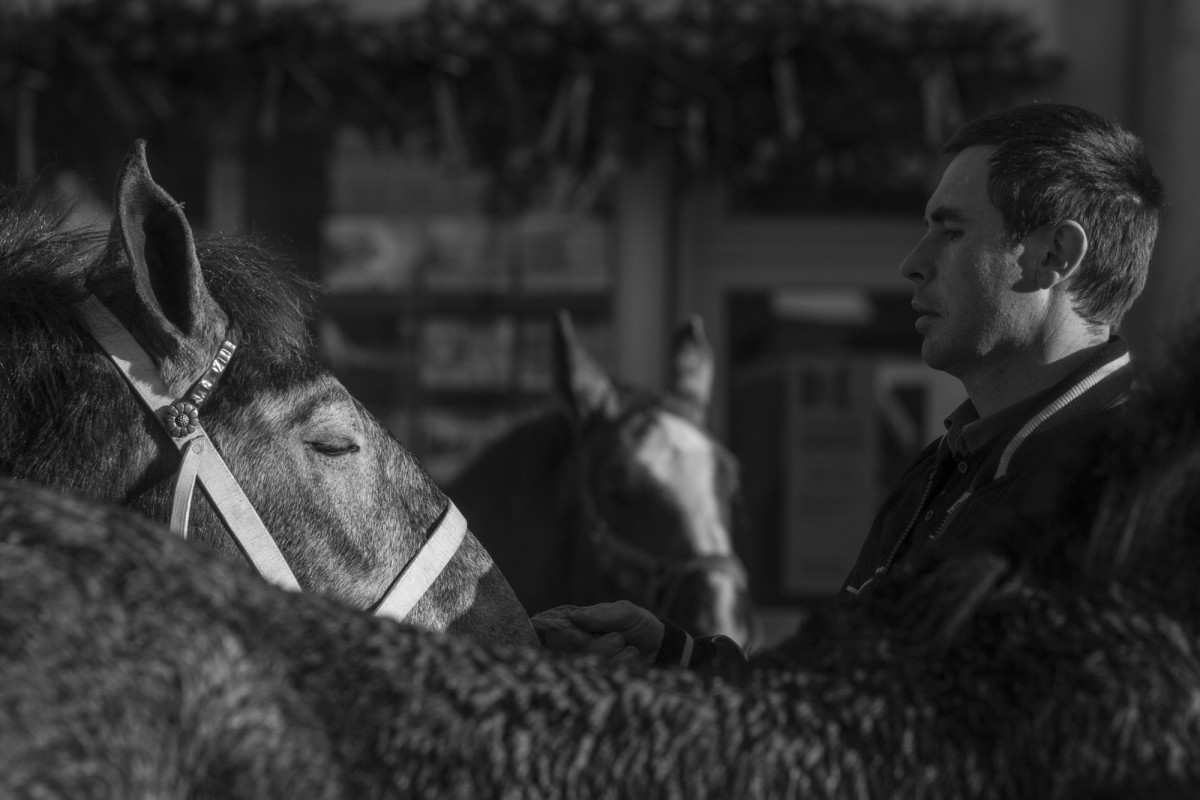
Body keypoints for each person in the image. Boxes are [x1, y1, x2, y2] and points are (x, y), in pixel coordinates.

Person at [538, 102, 1166, 670]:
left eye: (951, 231)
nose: (912, 262)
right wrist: (678, 660)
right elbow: (844, 703)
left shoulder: (1135, 505)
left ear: (1054, 256)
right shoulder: (948, 465)